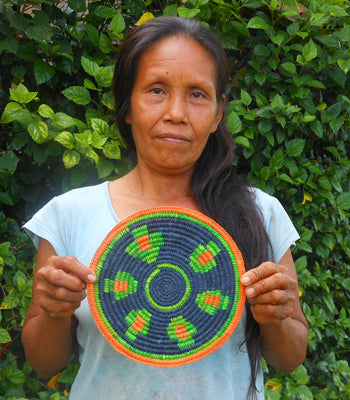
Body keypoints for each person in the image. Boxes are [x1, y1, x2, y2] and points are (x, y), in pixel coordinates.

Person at [22, 16, 308, 400]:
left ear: (218, 113)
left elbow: (290, 358)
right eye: (156, 90)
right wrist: (55, 312)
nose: (176, 112)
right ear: (127, 106)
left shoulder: (260, 212)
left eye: (197, 94)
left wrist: (277, 317)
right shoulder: (69, 215)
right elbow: (44, 362)